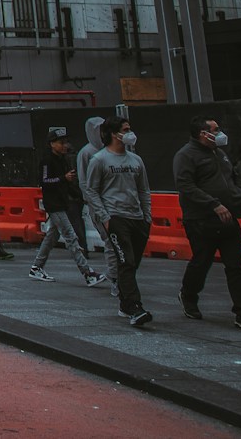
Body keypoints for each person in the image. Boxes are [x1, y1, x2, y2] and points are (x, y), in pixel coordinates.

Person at [174, 116, 241, 329]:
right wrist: (214, 204)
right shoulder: (186, 156)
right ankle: (188, 295)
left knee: (236, 266)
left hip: (228, 218)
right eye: (216, 129)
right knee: (202, 261)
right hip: (201, 219)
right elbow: (186, 186)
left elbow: (232, 177)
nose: (220, 133)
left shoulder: (219, 153)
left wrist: (239, 192)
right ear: (203, 133)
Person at [84, 116, 152, 327]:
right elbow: (91, 190)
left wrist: (147, 215)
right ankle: (134, 307)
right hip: (116, 218)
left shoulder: (135, 160)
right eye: (126, 129)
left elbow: (143, 189)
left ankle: (124, 303)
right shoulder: (99, 160)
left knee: (132, 264)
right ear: (114, 134)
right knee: (126, 261)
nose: (130, 132)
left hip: (137, 218)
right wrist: (105, 218)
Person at [28, 126, 105, 286]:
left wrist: (78, 195)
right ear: (52, 144)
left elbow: (66, 182)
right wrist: (63, 178)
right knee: (71, 237)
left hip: (62, 202)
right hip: (54, 204)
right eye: (61, 142)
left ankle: (36, 267)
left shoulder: (63, 159)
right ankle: (88, 274)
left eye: (66, 142)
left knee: (52, 236)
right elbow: (44, 181)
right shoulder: (47, 161)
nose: (65, 145)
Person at [78, 115, 120, 293]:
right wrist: (93, 203)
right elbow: (84, 182)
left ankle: (116, 275)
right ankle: (115, 276)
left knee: (115, 242)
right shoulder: (87, 153)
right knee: (111, 242)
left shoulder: (110, 150)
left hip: (113, 202)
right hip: (99, 205)